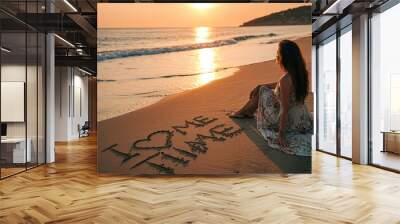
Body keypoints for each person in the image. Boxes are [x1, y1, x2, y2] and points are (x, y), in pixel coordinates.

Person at [230, 40, 313, 156]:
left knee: (263, 91)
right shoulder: (302, 73)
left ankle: (243, 112)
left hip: (289, 120)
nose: (276, 56)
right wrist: (263, 85)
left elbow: (284, 109)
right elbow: (284, 86)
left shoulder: (285, 80)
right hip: (301, 116)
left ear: (284, 58)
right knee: (263, 88)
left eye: (278, 53)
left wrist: (281, 134)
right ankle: (245, 111)